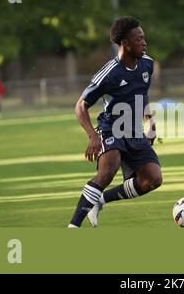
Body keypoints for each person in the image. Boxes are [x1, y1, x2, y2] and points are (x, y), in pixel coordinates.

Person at [68, 16, 162, 228]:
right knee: (107, 171)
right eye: (139, 39)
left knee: (152, 179)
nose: (144, 43)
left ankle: (99, 200)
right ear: (125, 44)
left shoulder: (147, 64)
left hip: (134, 131)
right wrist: (92, 136)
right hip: (110, 129)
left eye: (144, 38)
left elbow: (142, 94)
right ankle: (73, 226)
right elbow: (80, 105)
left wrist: (151, 123)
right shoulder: (109, 73)